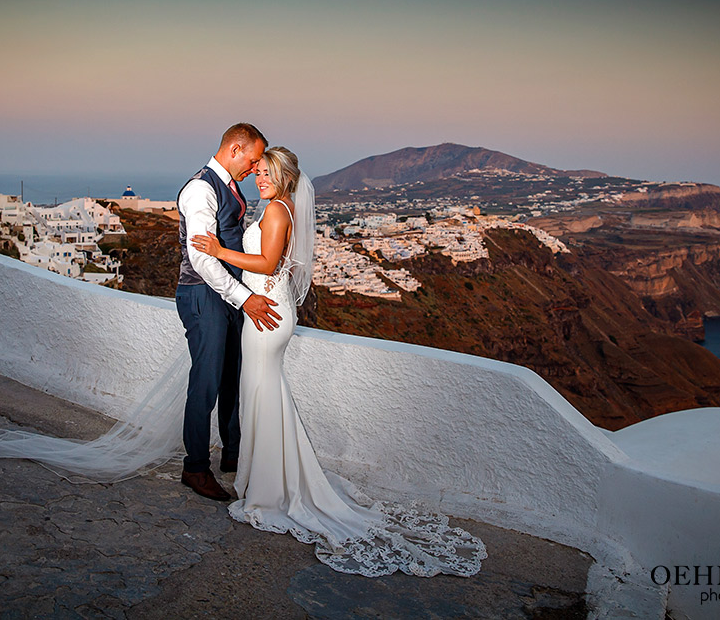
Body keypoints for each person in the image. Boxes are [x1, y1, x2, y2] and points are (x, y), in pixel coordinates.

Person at [190, 146, 486, 578]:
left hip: (265, 313)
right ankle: (267, 478)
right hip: (268, 307)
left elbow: (267, 262)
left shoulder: (276, 210)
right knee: (263, 393)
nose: (260, 179)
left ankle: (270, 489)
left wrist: (217, 249)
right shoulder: (279, 206)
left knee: (261, 393)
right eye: (258, 172)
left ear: (286, 177)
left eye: (267, 173)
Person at [174, 122, 280, 501]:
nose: (255, 168)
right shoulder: (201, 188)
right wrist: (244, 298)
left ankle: (233, 458)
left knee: (232, 377)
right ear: (236, 149)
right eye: (252, 160)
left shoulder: (230, 186)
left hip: (227, 296)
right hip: (203, 295)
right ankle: (195, 468)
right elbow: (202, 259)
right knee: (205, 382)